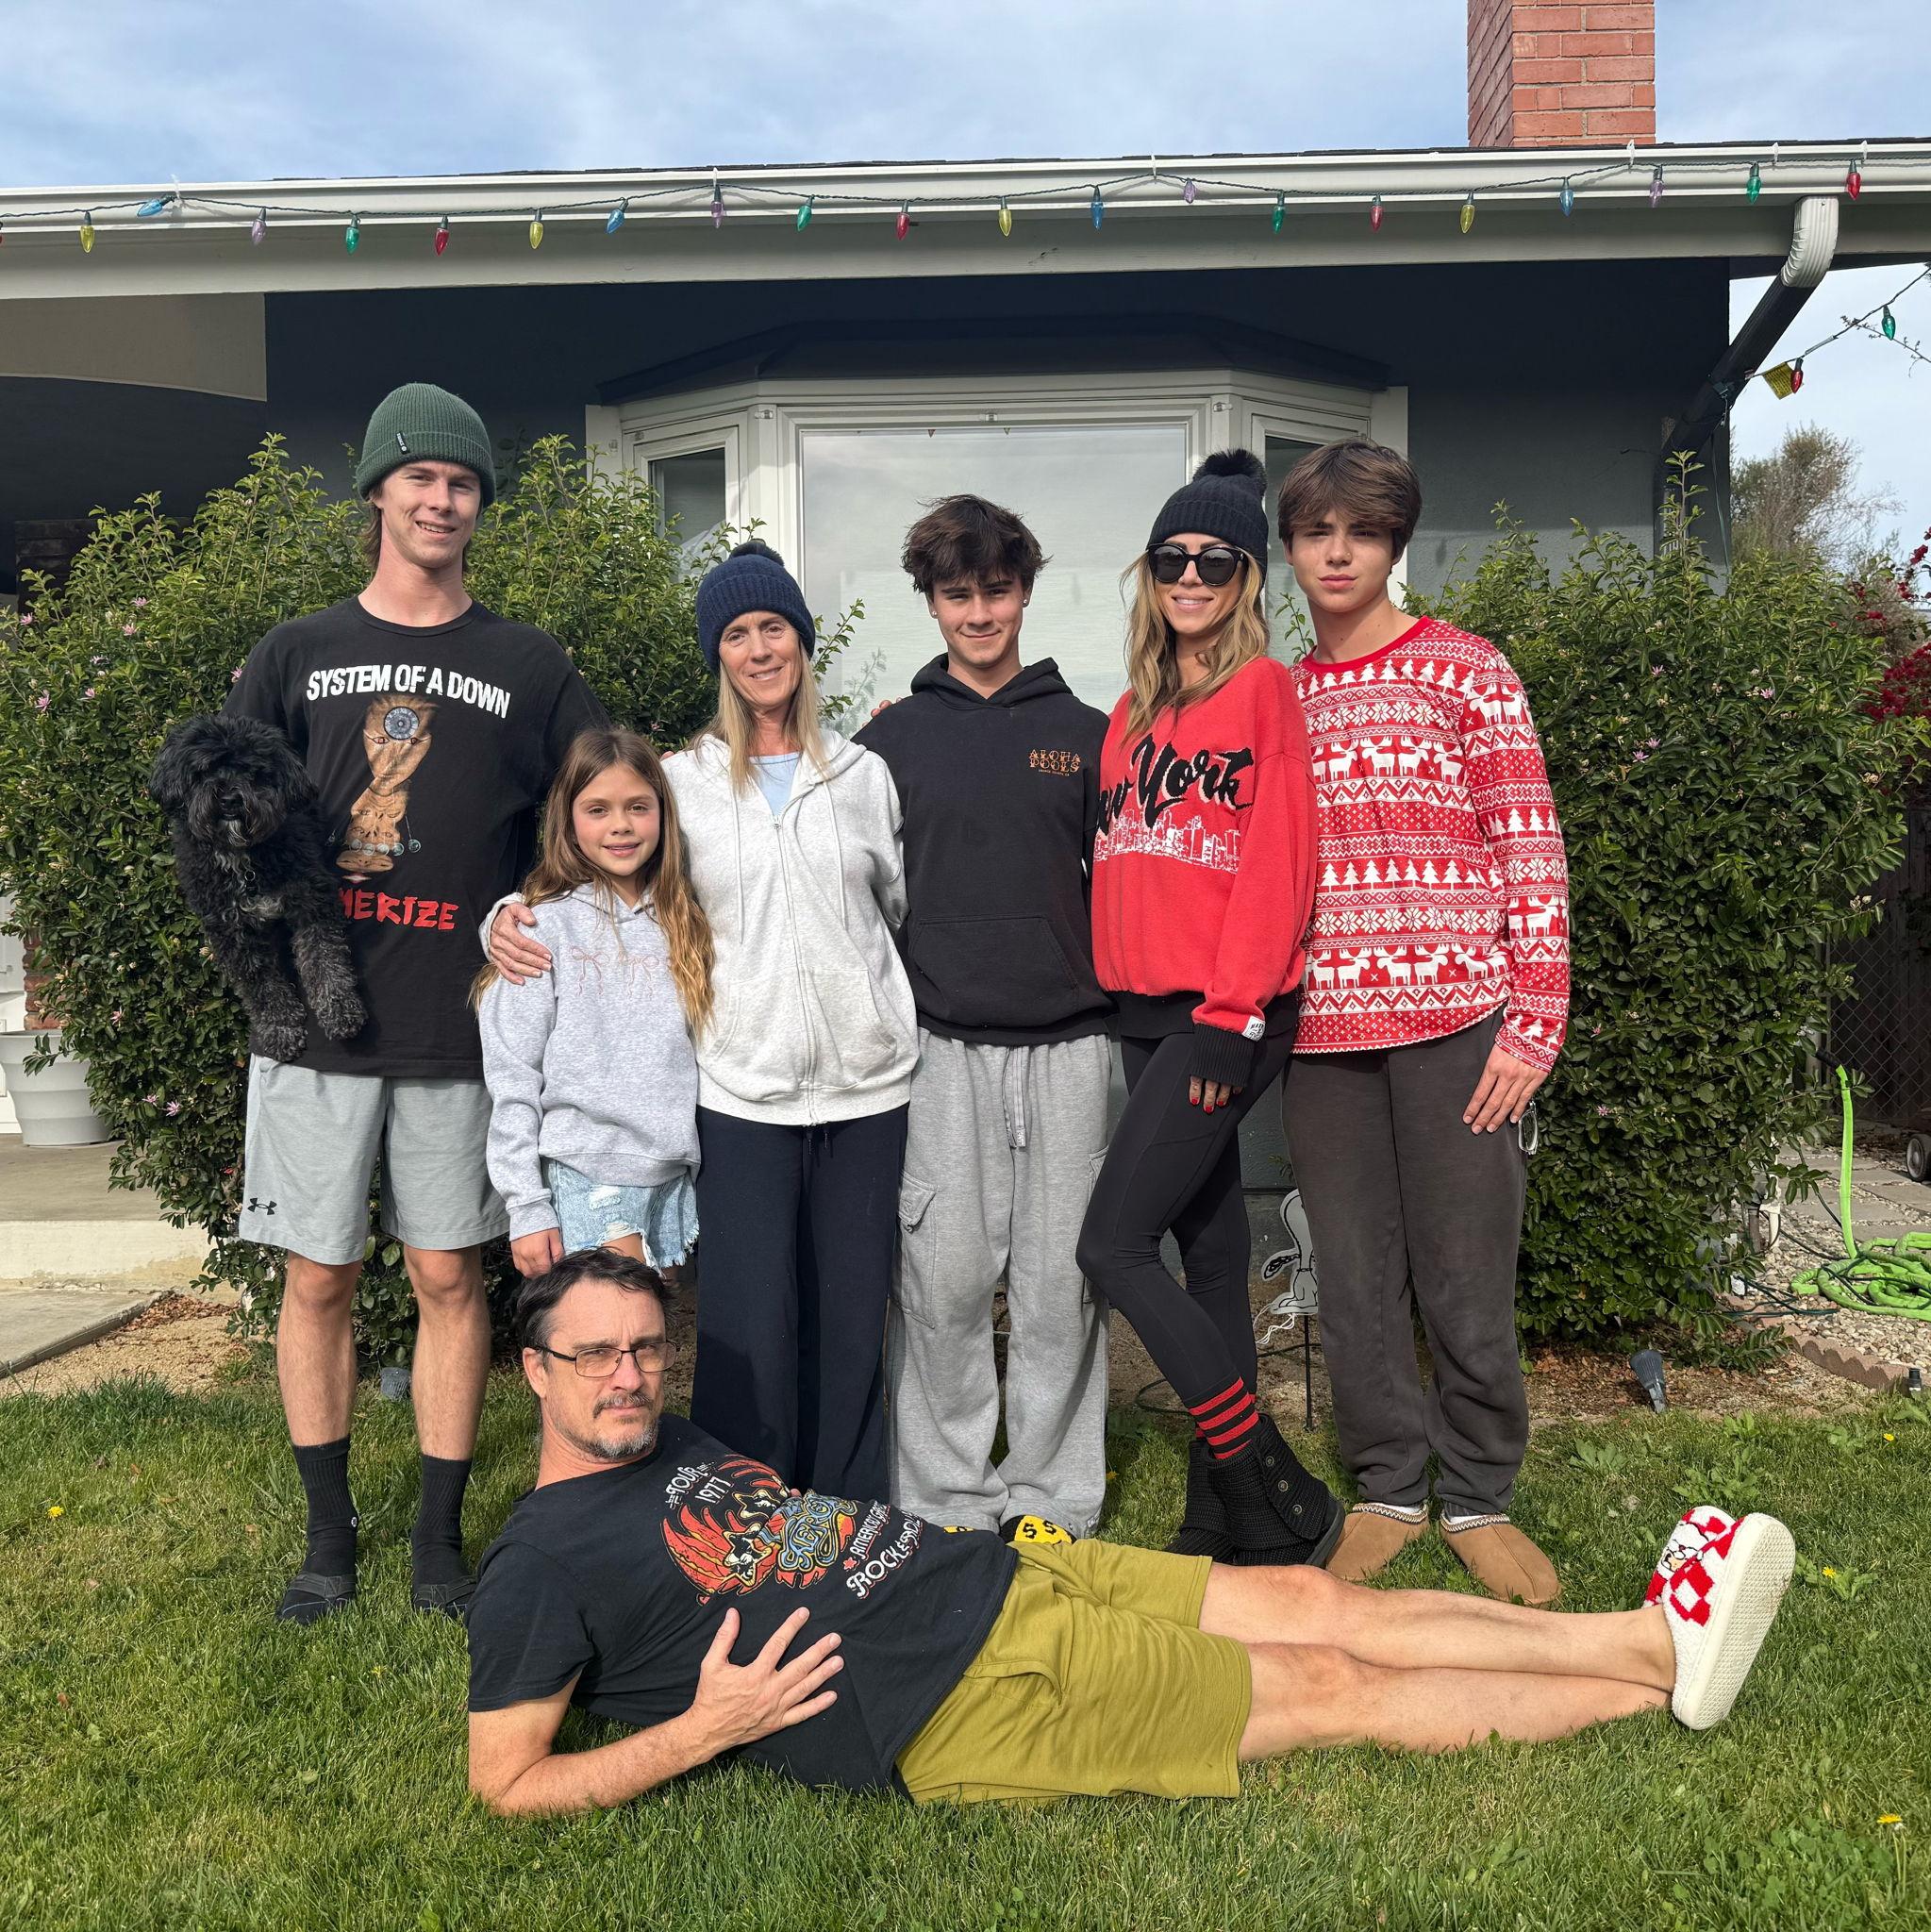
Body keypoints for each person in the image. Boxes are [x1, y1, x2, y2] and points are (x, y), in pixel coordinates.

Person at [464, 1250, 1797, 1813]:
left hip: (999, 1572)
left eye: (645, 1348)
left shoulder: (672, 1440)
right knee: (1326, 1685)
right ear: (533, 1372)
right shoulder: (538, 1562)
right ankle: (1656, 1685)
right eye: (595, 1357)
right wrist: (704, 1731)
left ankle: (1641, 1636)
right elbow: (506, 1783)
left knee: (1323, 1604)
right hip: (954, 1692)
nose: (629, 1377)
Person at [225, 382, 609, 1624]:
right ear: (379, 493)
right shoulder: (295, 652)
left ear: (477, 505)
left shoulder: (527, 664)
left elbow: (603, 811)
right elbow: (221, 818)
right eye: (421, 478)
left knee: (449, 1275)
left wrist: (539, 911)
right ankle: (327, 1537)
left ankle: (436, 1540)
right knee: (318, 1278)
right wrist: (265, 963)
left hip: (461, 1022)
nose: (441, 500)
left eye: (462, 483)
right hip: (315, 1029)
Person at [489, 540, 914, 1499]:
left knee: (852, 1321)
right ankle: (742, 1511)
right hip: (740, 1092)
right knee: (749, 1326)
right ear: (716, 653)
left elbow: (893, 910)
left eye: (774, 628)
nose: (759, 649)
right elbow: (606, 879)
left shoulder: (864, 775)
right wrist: (504, 916)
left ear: (802, 640)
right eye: (736, 634)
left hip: (866, 1091)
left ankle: (846, 1519)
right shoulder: (682, 784)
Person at [1276, 440, 1571, 1606]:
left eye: (1361, 530)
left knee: (1464, 1270)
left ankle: (1480, 1494)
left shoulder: (1467, 668)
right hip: (1323, 1034)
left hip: (1461, 1024)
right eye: (1315, 531)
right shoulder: (1279, 697)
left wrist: (1533, 1020)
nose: (1337, 552)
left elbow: (1528, 842)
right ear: (1290, 548)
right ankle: (1390, 1488)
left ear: (1393, 542)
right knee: (1352, 1276)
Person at [1075, 451, 1338, 1567]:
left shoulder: (1262, 691)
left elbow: (1281, 862)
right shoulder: (1128, 714)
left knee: (1112, 1244)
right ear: (1150, 573)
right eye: (1172, 557)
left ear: (1246, 579)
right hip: (1141, 1012)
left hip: (1217, 1014)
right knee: (1213, 1248)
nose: (1190, 576)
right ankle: (1218, 1514)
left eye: (1215, 561)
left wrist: (1233, 1018)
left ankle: (1269, 1478)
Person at [855, 496, 1112, 1543]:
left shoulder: (1089, 736)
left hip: (1071, 1048)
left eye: (996, 591)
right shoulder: (885, 743)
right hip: (939, 1052)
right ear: (929, 601)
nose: (978, 613)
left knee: (1060, 1288)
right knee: (943, 1284)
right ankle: (947, 1498)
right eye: (956, 594)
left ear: (1025, 592)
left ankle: (1051, 1496)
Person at [475, 728, 709, 1282]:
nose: (620, 825)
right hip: (587, 1169)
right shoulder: (539, 929)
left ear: (664, 812)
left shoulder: (687, 919)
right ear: (568, 820)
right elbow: (513, 1075)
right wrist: (526, 1203)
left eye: (638, 807)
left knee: (646, 1323)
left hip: (670, 1171)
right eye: (598, 809)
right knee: (610, 1324)